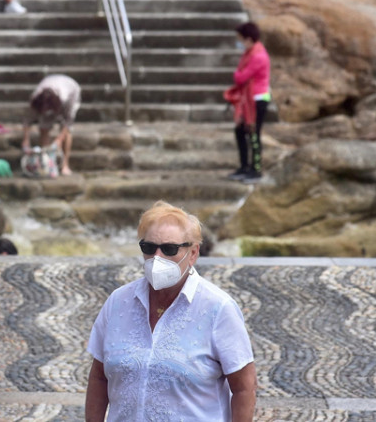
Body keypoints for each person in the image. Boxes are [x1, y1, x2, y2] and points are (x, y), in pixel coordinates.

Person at [85, 201, 256, 422]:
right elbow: (99, 377)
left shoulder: (218, 309)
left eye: (169, 249)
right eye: (149, 248)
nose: (157, 258)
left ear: (193, 253)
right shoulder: (118, 302)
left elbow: (244, 387)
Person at [225, 21, 271, 184]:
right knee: (240, 132)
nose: (239, 43)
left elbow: (240, 77)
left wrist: (238, 74)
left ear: (249, 39)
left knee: (254, 134)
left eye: (240, 39)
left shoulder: (257, 56)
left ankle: (256, 169)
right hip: (249, 101)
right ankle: (244, 166)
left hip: (257, 100)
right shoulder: (250, 54)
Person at [21, 74, 81, 176]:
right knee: (44, 127)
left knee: (67, 131)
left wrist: (59, 139)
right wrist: (26, 139)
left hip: (71, 89)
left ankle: (65, 165)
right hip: (49, 85)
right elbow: (27, 119)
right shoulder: (36, 99)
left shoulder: (67, 98)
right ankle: (47, 163)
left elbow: (68, 121)